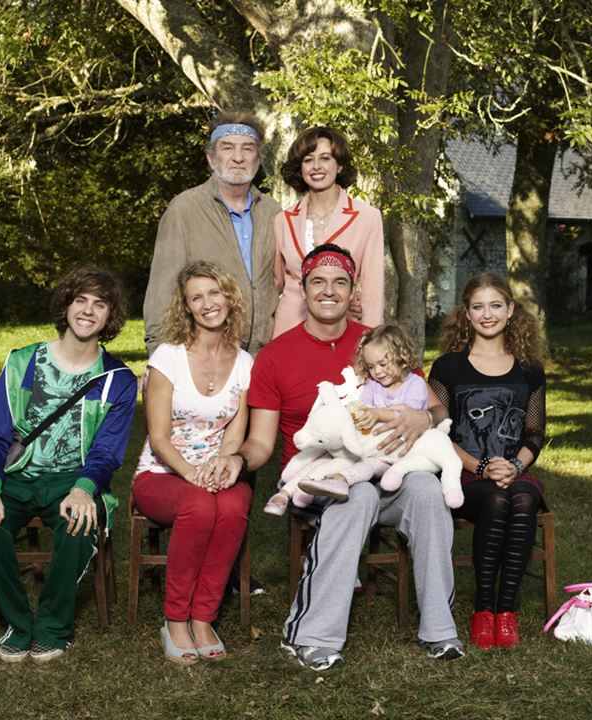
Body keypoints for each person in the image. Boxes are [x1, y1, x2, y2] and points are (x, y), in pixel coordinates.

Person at [205, 243, 463, 671]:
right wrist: (237, 459)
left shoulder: (378, 344)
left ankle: (440, 628)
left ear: (352, 291)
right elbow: (263, 443)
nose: (329, 290)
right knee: (355, 494)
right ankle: (311, 635)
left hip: (392, 471)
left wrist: (424, 416)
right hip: (322, 481)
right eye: (318, 282)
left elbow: (436, 408)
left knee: (425, 487)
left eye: (340, 282)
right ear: (302, 289)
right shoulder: (275, 356)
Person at [0, 266, 136, 663]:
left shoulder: (118, 378)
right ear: (66, 305)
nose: (89, 311)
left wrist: (84, 489)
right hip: (17, 476)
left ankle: (54, 626)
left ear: (110, 316)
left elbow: (106, 452)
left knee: (80, 521)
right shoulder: (22, 362)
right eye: (81, 300)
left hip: (73, 480)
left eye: (100, 304)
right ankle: (19, 624)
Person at [132, 261, 254, 664]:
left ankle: (204, 617)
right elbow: (159, 437)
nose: (207, 303)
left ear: (229, 297)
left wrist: (223, 463)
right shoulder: (167, 357)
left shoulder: (245, 363)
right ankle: (175, 620)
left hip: (214, 471)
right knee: (199, 505)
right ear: (186, 308)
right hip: (163, 473)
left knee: (236, 503)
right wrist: (193, 475)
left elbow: (236, 432)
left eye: (214, 293)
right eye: (196, 298)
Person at [428, 272, 547, 650]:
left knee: (523, 497)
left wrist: (516, 467)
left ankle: (506, 611)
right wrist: (479, 467)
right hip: (462, 472)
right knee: (496, 500)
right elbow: (439, 431)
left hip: (515, 471)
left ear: (511, 310)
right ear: (466, 313)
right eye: (478, 307)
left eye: (496, 305)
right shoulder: (448, 367)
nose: (487, 314)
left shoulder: (529, 368)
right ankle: (482, 609)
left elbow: (534, 434)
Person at [143, 111, 282, 356]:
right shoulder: (184, 209)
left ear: (258, 159)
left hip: (265, 358)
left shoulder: (273, 212)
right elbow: (161, 293)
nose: (238, 157)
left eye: (248, 149)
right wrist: (160, 357)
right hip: (206, 357)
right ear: (211, 158)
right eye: (227, 148)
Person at [263, 323, 429, 513]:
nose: (378, 372)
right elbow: (362, 406)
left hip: (390, 453)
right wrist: (355, 414)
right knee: (327, 455)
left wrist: (376, 414)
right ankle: (287, 492)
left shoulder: (415, 384)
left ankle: (338, 481)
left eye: (383, 364)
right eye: (371, 367)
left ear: (401, 355)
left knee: (365, 465)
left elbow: (408, 415)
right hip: (365, 444)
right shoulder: (374, 385)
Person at [271, 126, 385, 337]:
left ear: (339, 165)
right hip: (289, 329)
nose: (316, 166)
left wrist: (372, 343)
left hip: (342, 330)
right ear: (300, 167)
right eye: (308, 160)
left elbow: (372, 294)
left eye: (325, 158)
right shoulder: (282, 220)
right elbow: (275, 285)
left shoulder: (367, 217)